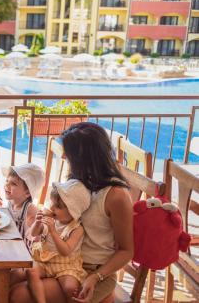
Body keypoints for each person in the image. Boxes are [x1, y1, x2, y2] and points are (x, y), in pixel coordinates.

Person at [10, 122, 134, 303]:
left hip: (91, 271)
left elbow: (126, 251)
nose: (64, 156)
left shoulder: (116, 196)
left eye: (69, 153)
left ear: (86, 158)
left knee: (17, 295)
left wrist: (95, 277)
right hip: (61, 260)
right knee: (7, 277)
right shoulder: (79, 181)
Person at [27, 180, 91, 303]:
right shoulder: (50, 220)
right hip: (45, 260)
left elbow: (65, 251)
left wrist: (53, 232)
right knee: (31, 272)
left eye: (58, 207)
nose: (51, 208)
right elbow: (34, 233)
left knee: (70, 287)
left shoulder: (77, 229)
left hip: (66, 265)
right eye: (52, 203)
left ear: (73, 212)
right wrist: (37, 221)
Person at [0, 163, 45, 248]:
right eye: (7, 180)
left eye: (13, 184)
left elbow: (37, 236)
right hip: (6, 242)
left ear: (27, 193)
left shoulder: (30, 210)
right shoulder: (10, 198)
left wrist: (37, 224)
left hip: (21, 252)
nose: (6, 185)